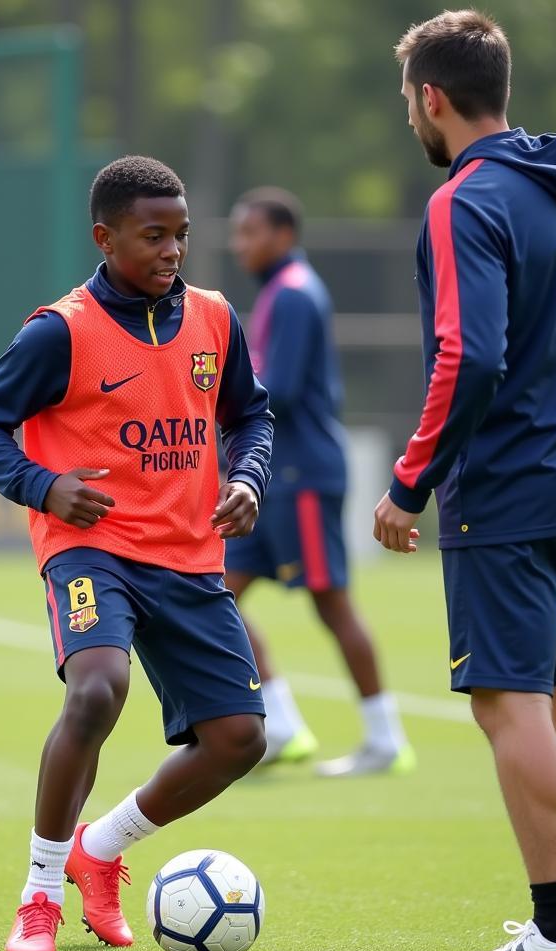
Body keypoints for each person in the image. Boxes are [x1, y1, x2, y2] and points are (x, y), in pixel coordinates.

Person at [377, 11, 556, 951]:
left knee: (509, 704)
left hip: (511, 497)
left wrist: (411, 483)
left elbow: (469, 353)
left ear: (432, 98)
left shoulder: (464, 202)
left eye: (410, 98)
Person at [0, 155, 273, 951]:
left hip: (189, 554)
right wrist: (43, 487)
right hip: (92, 548)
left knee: (240, 739)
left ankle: (100, 849)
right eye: (153, 236)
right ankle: (38, 896)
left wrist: (247, 478)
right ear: (105, 238)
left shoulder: (213, 317)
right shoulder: (60, 330)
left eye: (182, 235)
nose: (173, 251)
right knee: (98, 689)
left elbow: (251, 418)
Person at [226, 188, 414, 775]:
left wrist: (214, 390)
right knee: (213, 592)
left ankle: (385, 737)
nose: (240, 245)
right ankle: (279, 723)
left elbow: (276, 388)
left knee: (331, 603)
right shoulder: (279, 293)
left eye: (249, 233)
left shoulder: (296, 295)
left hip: (301, 473)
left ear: (282, 235)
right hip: (272, 475)